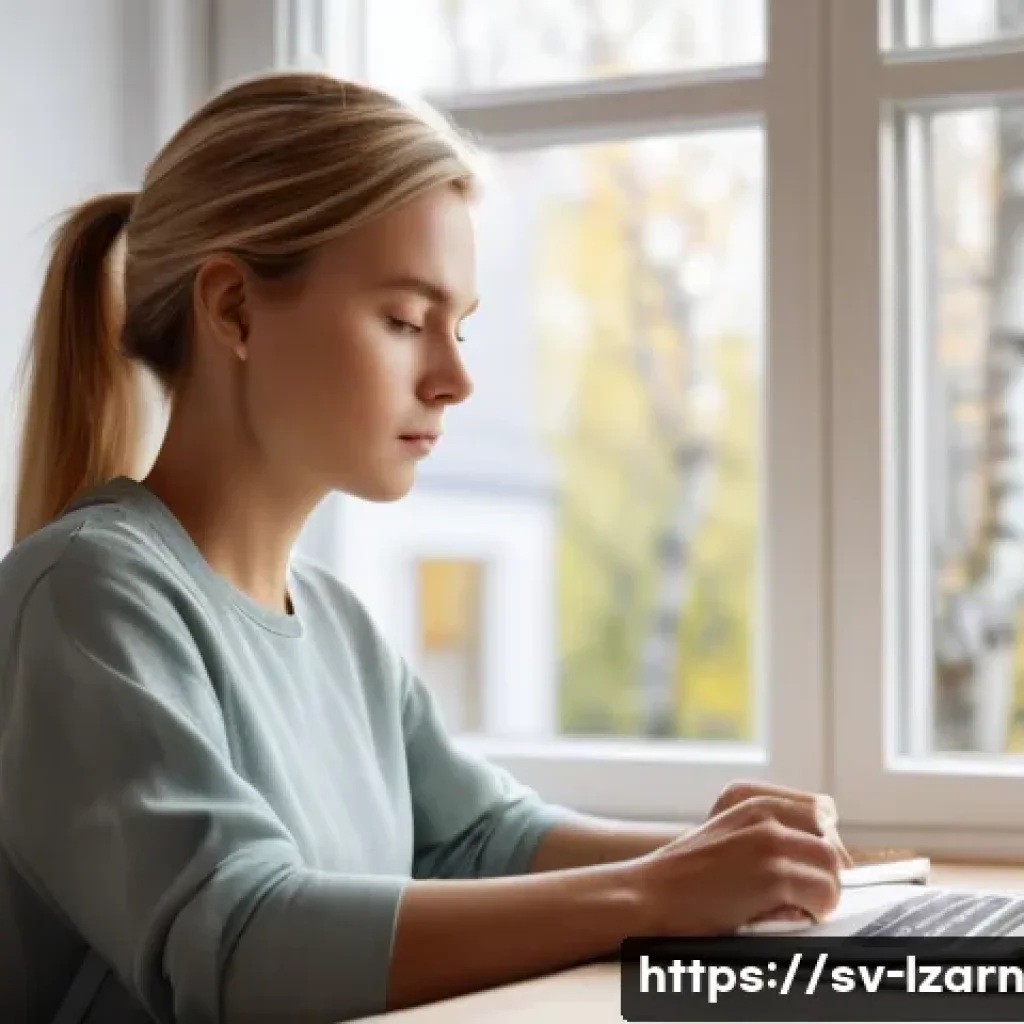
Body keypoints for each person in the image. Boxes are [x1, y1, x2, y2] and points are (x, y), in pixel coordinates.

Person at [0, 71, 850, 1024]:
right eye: (406, 320)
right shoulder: (87, 598)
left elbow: (477, 838)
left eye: (460, 326)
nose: (454, 378)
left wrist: (725, 854)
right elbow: (238, 942)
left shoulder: (339, 628)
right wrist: (654, 897)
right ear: (234, 309)